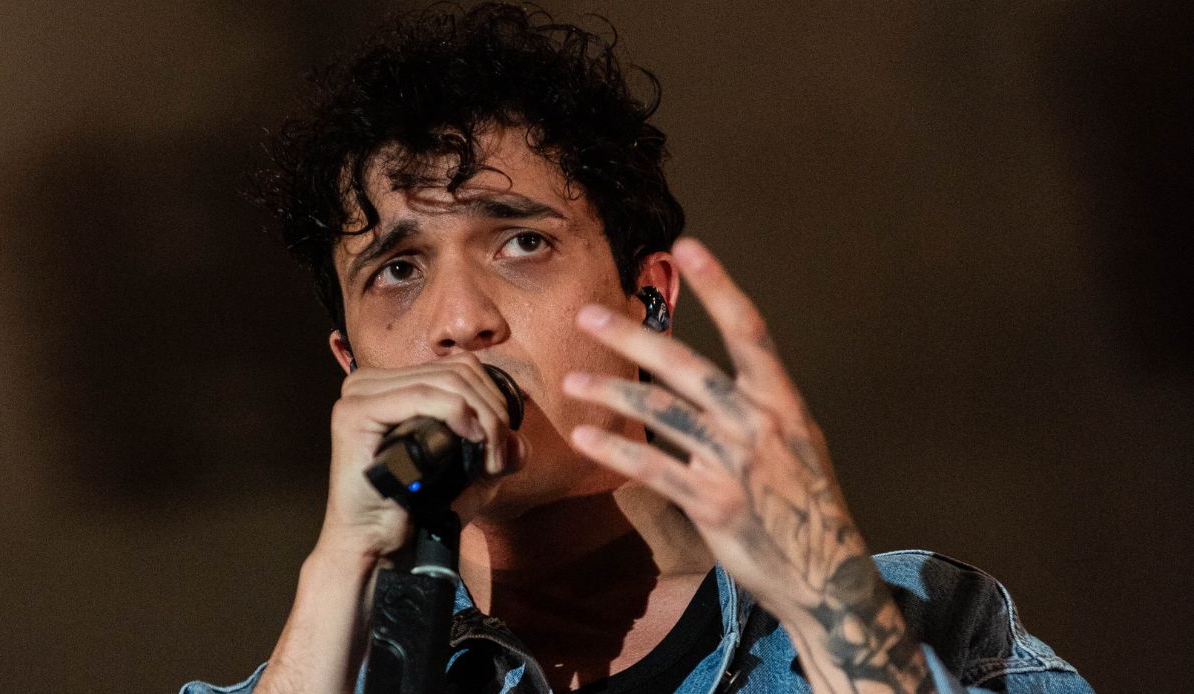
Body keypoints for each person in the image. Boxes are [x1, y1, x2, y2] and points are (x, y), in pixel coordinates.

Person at [183, 3, 1093, 693]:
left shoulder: (919, 620)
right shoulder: (312, 669)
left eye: (520, 243)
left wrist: (828, 607)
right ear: (351, 367)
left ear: (648, 296)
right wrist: (341, 567)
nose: (459, 319)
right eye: (397, 269)